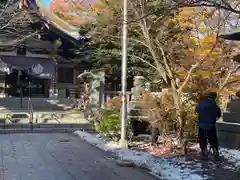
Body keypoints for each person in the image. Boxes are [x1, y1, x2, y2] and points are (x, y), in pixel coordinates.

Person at [196, 92, 221, 160]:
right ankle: (216, 154)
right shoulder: (214, 105)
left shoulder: (201, 103)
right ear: (214, 98)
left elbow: (197, 110)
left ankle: (204, 154)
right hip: (211, 125)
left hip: (201, 125)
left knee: (202, 139)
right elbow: (218, 114)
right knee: (213, 139)